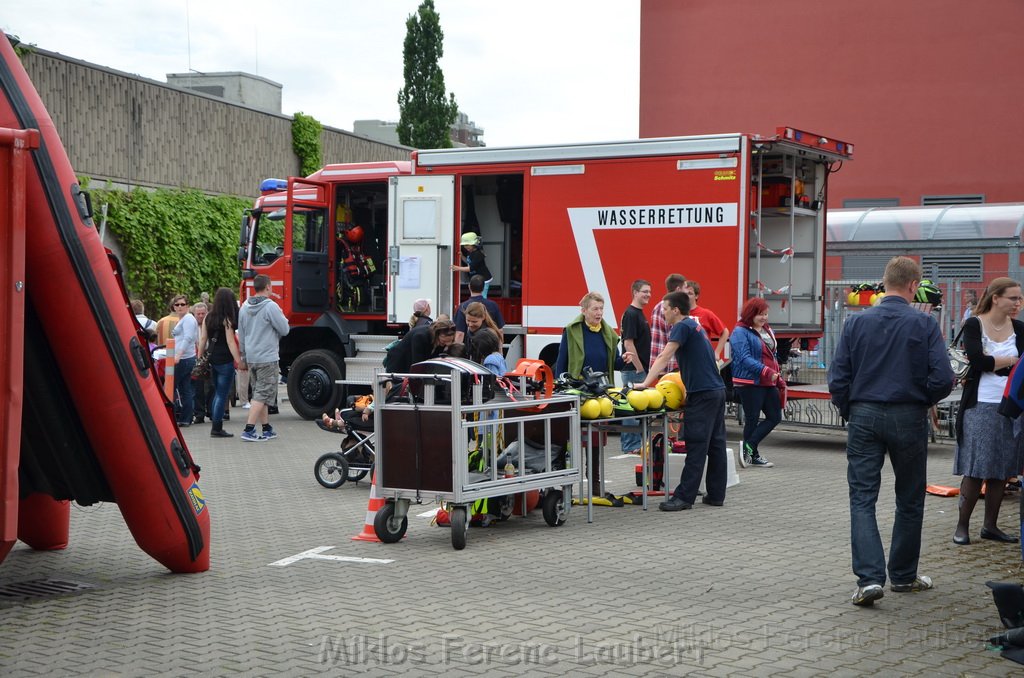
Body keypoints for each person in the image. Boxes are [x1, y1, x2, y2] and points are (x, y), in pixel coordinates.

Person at [827, 256, 954, 607]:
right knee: (910, 498)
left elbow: (838, 376)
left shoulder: (856, 323)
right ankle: (903, 576)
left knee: (862, 498)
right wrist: (921, 399)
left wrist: (849, 408)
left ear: (883, 284)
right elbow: (944, 378)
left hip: (865, 413)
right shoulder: (924, 324)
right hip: (908, 415)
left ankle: (869, 579)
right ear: (914, 286)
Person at [639, 291, 727, 511]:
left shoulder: (681, 327)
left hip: (703, 394)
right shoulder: (694, 325)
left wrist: (645, 383)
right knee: (716, 444)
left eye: (665, 309)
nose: (663, 314)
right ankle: (716, 495)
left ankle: (684, 498)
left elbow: (665, 356)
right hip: (716, 390)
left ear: (676, 310)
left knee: (697, 445)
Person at [952, 277, 1024, 546]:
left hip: (1010, 406)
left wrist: (998, 364)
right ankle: (962, 526)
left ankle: (990, 526)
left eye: (1020, 298)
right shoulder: (974, 323)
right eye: (1013, 298)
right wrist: (1009, 362)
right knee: (976, 467)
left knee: (1002, 468)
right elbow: (978, 361)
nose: (1018, 303)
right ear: (996, 298)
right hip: (980, 405)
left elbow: (1019, 369)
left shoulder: (1020, 328)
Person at [729, 297, 782, 468]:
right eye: (760, 314)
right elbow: (744, 358)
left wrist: (776, 373)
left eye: (766, 314)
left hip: (768, 381)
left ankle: (748, 447)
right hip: (750, 382)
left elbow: (771, 353)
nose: (764, 318)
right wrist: (766, 371)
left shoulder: (767, 329)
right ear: (751, 314)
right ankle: (752, 454)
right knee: (752, 419)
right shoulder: (739, 332)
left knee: (774, 417)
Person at [237, 274, 290, 442]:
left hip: (252, 356)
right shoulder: (271, 307)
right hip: (267, 356)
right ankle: (249, 429)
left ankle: (267, 428)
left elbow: (242, 332)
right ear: (268, 287)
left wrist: (243, 356)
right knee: (261, 395)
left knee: (261, 394)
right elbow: (284, 329)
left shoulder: (244, 306)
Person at [554, 292, 634, 380]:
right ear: (584, 311)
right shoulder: (571, 330)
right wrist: (560, 383)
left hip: (602, 387)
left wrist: (624, 359)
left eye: (601, 308)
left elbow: (614, 365)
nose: (599, 312)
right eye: (595, 309)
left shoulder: (609, 333)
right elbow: (561, 363)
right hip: (579, 387)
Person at [201, 288, 241, 438]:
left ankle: (215, 424)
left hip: (212, 360)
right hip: (225, 360)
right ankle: (216, 428)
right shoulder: (227, 320)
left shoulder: (208, 318)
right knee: (222, 395)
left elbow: (203, 340)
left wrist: (200, 358)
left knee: (218, 393)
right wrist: (239, 361)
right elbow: (231, 342)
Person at [620, 279, 652, 455]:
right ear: (634, 292)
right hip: (633, 370)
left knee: (638, 409)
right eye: (644, 291)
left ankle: (635, 444)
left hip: (638, 370)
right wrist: (640, 368)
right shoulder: (631, 314)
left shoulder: (639, 313)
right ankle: (630, 446)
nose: (648, 294)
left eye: (649, 291)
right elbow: (628, 343)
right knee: (631, 410)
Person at [649, 273, 688, 379]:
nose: (687, 292)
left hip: (660, 365)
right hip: (673, 366)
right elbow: (677, 339)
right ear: (678, 289)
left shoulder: (657, 307)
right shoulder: (673, 310)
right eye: (685, 288)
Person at [386, 318, 457, 374]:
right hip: (398, 365)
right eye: (444, 342)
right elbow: (417, 364)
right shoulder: (420, 337)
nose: (447, 344)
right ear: (437, 334)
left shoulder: (439, 339)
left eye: (450, 341)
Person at [169, 294, 198, 428]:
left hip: (183, 359)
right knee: (184, 388)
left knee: (170, 387)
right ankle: (185, 418)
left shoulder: (188, 319)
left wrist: (178, 355)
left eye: (182, 304)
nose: (179, 307)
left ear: (187, 306)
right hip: (183, 357)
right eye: (177, 304)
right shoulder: (183, 319)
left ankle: (174, 416)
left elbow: (188, 338)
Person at [685, 280, 730, 361]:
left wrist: (717, 352)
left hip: (702, 359)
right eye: (684, 293)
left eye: (690, 293)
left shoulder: (706, 314)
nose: (686, 296)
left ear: (696, 296)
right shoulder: (677, 313)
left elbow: (725, 332)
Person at [454, 275, 505, 344]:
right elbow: (500, 331)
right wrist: (499, 352)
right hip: (489, 348)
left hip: (469, 348)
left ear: (469, 287)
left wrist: (457, 352)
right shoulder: (493, 305)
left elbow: (460, 333)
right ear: (483, 288)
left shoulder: (462, 306)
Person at [451, 232, 492, 298]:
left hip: (484, 279)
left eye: (467, 244)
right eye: (464, 245)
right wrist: (462, 257)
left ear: (474, 244)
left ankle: (482, 307)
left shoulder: (478, 254)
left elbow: (470, 268)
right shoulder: (470, 252)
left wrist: (458, 268)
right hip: (476, 279)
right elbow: (468, 262)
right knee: (475, 296)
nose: (465, 246)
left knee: (482, 297)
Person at [190, 302, 210, 424]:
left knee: (211, 386)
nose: (201, 316)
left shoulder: (210, 323)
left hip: (209, 356)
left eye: (203, 313)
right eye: (198, 314)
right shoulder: (191, 326)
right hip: (196, 357)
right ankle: (199, 413)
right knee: (198, 387)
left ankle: (210, 410)